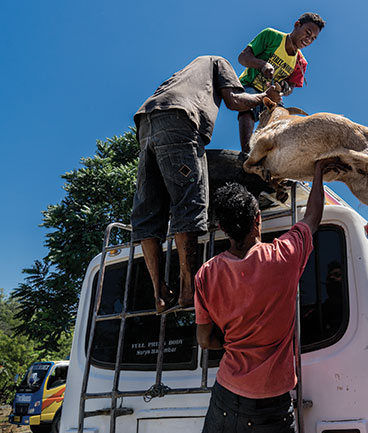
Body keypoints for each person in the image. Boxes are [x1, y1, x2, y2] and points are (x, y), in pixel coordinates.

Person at [194, 158, 342, 433]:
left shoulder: (206, 274)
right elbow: (312, 218)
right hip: (269, 405)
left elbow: (205, 339)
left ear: (223, 229)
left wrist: (235, 342)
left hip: (224, 396)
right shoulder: (282, 257)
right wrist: (318, 171)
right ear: (257, 219)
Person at [131, 55, 281, 313]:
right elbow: (235, 101)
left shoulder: (183, 74)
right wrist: (263, 96)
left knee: (148, 210)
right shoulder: (217, 62)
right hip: (179, 121)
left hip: (146, 123)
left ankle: (159, 292)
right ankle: (187, 289)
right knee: (188, 200)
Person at [237, 12, 326, 152]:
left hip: (273, 95)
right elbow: (242, 58)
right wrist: (262, 65)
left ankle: (269, 156)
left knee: (281, 122)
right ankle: (246, 152)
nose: (308, 39)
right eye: (307, 33)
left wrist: (284, 88)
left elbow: (291, 88)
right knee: (248, 106)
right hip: (250, 85)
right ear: (297, 25)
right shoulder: (271, 36)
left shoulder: (301, 62)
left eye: (313, 38)